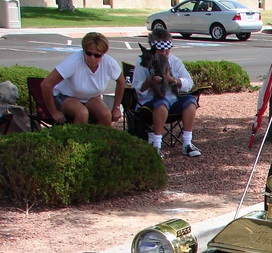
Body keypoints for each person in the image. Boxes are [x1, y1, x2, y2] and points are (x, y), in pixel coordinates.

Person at [133, 27, 201, 157]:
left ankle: (187, 143)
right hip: (151, 102)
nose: (164, 52)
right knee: (161, 104)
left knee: (190, 102)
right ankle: (157, 146)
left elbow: (188, 82)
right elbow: (137, 88)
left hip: (172, 100)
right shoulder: (143, 62)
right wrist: (148, 82)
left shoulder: (174, 61)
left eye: (167, 48)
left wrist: (173, 80)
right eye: (160, 49)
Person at [40, 32, 124, 126]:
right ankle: (76, 140)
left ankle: (96, 139)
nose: (92, 58)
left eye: (97, 55)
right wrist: (54, 112)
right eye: (88, 53)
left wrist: (116, 107)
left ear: (103, 54)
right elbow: (46, 84)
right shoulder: (73, 62)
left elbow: (121, 82)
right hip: (66, 96)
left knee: (106, 115)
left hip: (91, 98)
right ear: (83, 51)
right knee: (82, 113)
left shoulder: (109, 63)